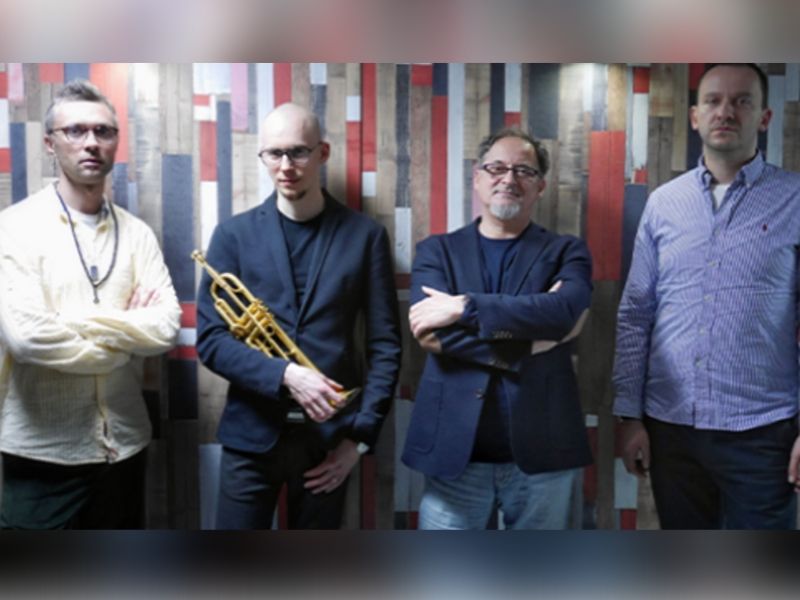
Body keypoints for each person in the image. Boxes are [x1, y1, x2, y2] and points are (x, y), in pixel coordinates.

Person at [196, 102, 401, 530]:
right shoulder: (232, 235)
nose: (286, 166)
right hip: (251, 437)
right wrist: (287, 375)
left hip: (330, 442)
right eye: (275, 154)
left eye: (298, 152)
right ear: (263, 156)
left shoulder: (365, 236)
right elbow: (212, 342)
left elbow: (385, 346)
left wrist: (358, 442)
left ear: (322, 153)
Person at [614, 63, 800, 529]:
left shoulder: (795, 199)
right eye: (714, 101)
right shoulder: (663, 203)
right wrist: (628, 416)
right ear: (695, 116)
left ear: (764, 117)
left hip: (764, 433)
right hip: (671, 429)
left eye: (742, 101)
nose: (726, 112)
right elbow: (636, 313)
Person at [0, 79, 181, 529]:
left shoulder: (137, 234)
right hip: (42, 455)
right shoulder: (14, 229)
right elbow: (28, 339)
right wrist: (123, 341)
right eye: (75, 131)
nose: (91, 142)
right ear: (50, 143)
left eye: (103, 131)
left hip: (124, 447)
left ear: (116, 141)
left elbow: (165, 327)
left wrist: (72, 322)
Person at [402, 128, 593, 529]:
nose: (509, 178)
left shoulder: (566, 251)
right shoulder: (436, 251)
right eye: (497, 168)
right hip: (455, 453)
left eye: (524, 170)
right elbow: (431, 332)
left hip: (544, 453)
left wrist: (464, 307)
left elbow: (562, 313)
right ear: (477, 177)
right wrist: (525, 347)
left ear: (540, 186)